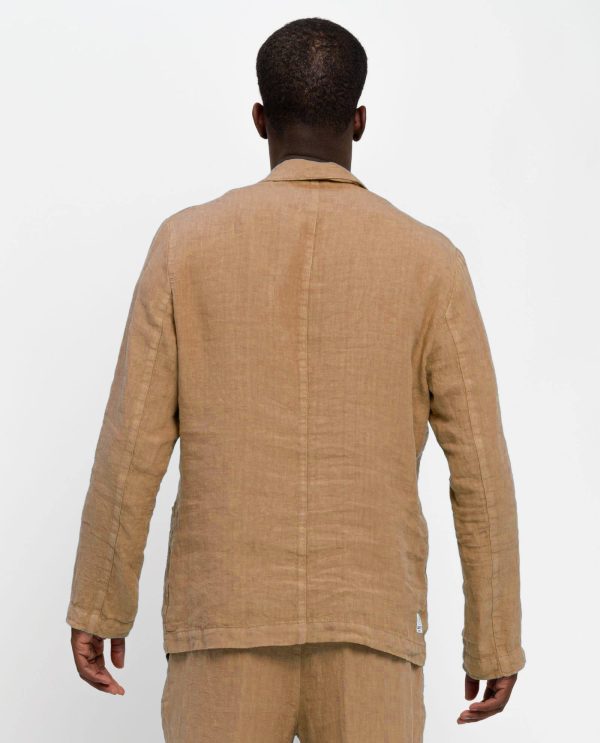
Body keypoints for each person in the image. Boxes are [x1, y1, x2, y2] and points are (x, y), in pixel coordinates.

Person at [66, 16, 526, 742]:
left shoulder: (186, 246)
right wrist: (495, 638)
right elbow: (481, 469)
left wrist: (99, 602)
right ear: (360, 121)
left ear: (260, 119)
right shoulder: (431, 262)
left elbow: (130, 446)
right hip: (370, 621)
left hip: (225, 619)